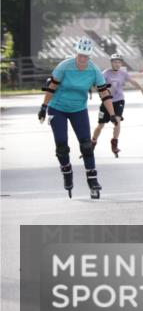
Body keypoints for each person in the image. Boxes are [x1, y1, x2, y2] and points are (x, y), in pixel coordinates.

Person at [37, 38, 120, 199]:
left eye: (86, 57)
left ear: (90, 57)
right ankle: (67, 171)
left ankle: (93, 180)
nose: (83, 59)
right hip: (58, 108)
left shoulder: (94, 70)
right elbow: (52, 87)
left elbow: (104, 93)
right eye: (80, 55)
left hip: (78, 109)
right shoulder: (64, 66)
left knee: (87, 145)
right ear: (77, 54)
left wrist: (112, 114)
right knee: (61, 146)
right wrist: (43, 107)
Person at [92, 53, 143, 157]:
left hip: (119, 101)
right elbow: (98, 85)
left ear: (121, 63)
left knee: (117, 122)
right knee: (100, 125)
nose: (117, 64)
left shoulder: (123, 73)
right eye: (115, 62)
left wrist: (141, 89)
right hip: (106, 102)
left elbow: (132, 81)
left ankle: (114, 143)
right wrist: (106, 90)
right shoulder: (105, 73)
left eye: (119, 62)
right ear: (111, 63)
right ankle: (93, 142)